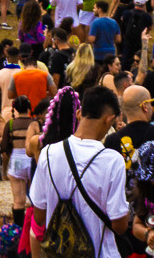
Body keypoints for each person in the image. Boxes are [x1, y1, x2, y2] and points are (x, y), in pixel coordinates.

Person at [29, 84, 129, 258]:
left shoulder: (48, 153)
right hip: (101, 252)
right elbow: (119, 225)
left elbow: (38, 216)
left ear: (79, 113)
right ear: (109, 119)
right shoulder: (113, 160)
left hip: (60, 252)